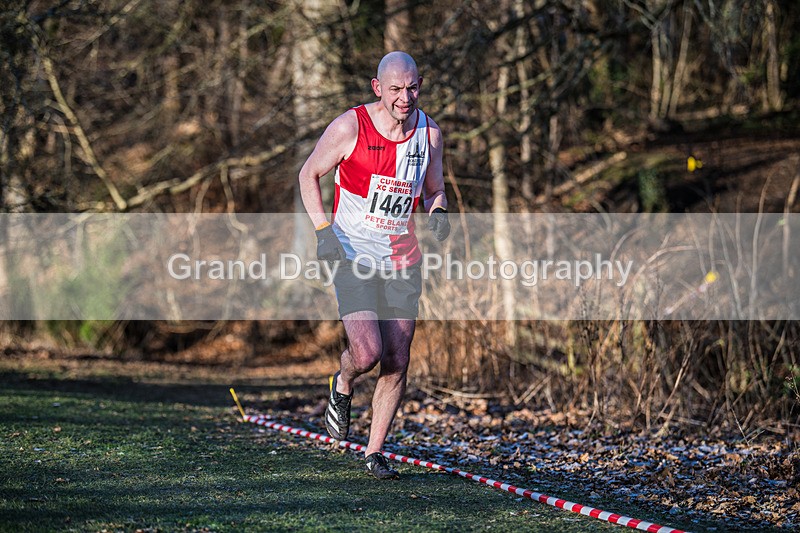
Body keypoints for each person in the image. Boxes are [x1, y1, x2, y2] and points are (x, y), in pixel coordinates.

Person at [298, 51, 450, 479]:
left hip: (403, 258)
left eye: (414, 87)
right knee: (367, 352)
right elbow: (307, 175)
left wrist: (439, 213)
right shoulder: (350, 127)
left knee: (397, 357)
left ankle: (374, 451)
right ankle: (342, 382)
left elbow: (434, 189)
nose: (406, 98)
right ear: (377, 87)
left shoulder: (430, 135)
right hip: (352, 252)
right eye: (397, 89)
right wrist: (323, 231)